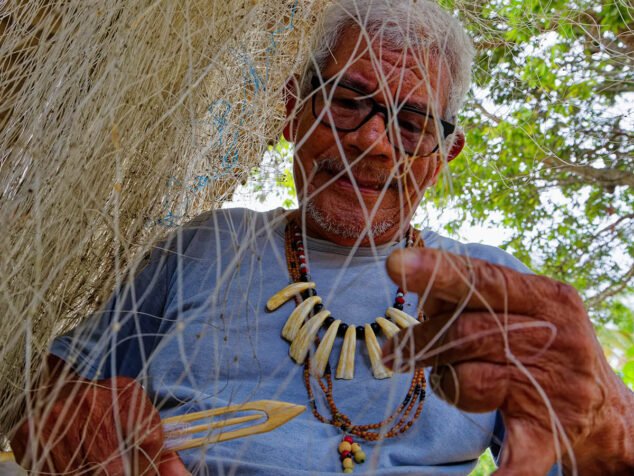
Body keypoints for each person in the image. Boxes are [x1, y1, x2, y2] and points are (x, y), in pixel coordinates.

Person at [10, 1, 633, 474]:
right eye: (347, 100)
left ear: (444, 155)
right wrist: (71, 412)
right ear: (292, 110)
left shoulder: (492, 286)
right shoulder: (204, 245)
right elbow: (47, 396)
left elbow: (601, 450)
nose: (373, 141)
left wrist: (609, 420)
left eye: (412, 122)